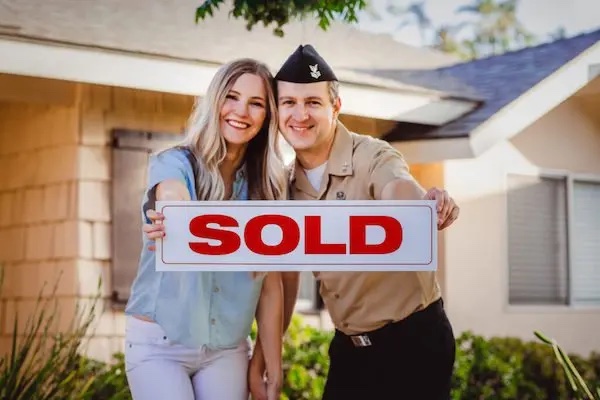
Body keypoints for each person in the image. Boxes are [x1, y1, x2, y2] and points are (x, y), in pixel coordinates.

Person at [144, 46, 461, 400]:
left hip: (414, 341)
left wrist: (425, 206)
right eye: (289, 103)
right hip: (350, 347)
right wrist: (264, 357)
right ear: (276, 114)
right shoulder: (284, 186)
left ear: (335, 107)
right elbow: (283, 281)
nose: (300, 115)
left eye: (312, 102)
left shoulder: (372, 155)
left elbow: (399, 188)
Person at [123, 58, 286, 400]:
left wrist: (273, 365)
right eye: (232, 97)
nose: (241, 111)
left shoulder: (267, 187)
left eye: (256, 103)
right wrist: (174, 214)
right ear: (215, 101)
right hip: (159, 343)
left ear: (267, 116)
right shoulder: (175, 162)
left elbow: (269, 285)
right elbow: (169, 192)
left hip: (227, 349)